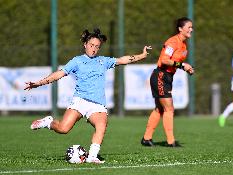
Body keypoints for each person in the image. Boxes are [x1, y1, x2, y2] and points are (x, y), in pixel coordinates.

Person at [24, 27, 152, 163]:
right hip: (80, 101)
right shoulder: (77, 61)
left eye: (97, 46)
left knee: (101, 125)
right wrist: (39, 83)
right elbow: (59, 74)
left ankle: (92, 156)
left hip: (97, 104)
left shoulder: (103, 61)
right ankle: (49, 122)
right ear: (85, 44)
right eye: (91, 45)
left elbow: (123, 60)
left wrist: (141, 56)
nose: (94, 49)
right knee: (63, 129)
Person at [141, 17, 194, 147]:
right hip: (160, 75)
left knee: (160, 109)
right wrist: (182, 65)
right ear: (180, 29)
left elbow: (175, 64)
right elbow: (164, 60)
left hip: (167, 77)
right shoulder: (172, 42)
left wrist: (186, 68)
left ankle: (146, 138)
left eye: (192, 27)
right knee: (169, 108)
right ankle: (171, 141)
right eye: (189, 27)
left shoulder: (184, 46)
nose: (191, 29)